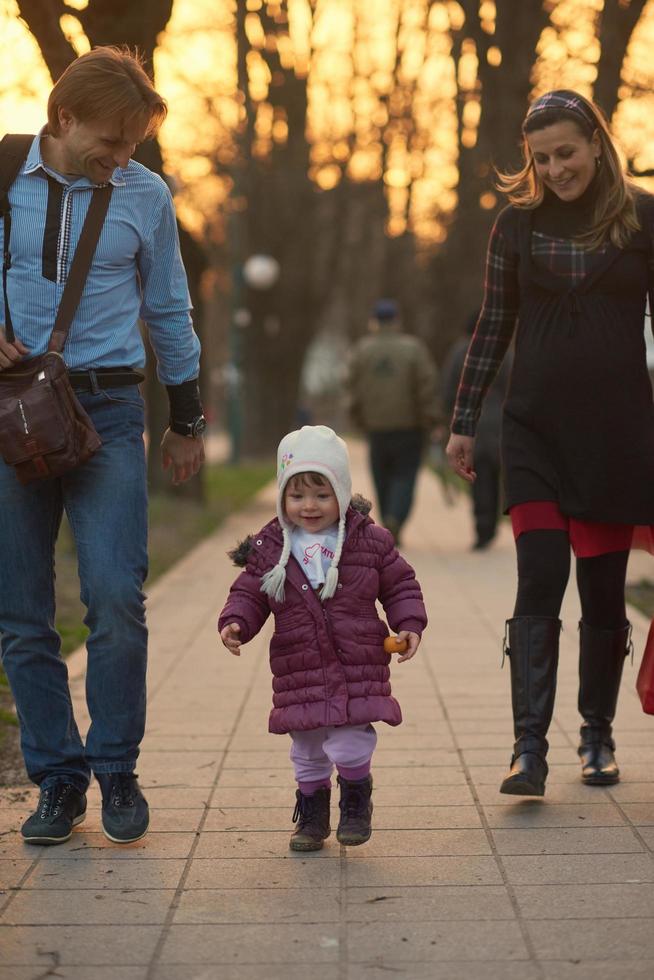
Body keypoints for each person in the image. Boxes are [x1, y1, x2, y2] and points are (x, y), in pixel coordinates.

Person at [0, 47, 205, 844]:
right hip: (14, 411)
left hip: (111, 410)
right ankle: (57, 780)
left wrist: (186, 420)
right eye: (111, 143)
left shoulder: (145, 195)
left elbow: (169, 307)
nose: (122, 160)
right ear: (63, 119)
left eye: (134, 147)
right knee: (21, 612)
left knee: (116, 596)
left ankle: (116, 768)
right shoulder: (2, 175)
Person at [446, 89, 654, 797]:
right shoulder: (517, 224)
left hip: (618, 435)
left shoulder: (643, 217)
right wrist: (464, 420)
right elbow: (493, 325)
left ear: (596, 142)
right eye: (542, 157)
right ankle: (527, 749)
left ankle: (596, 736)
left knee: (602, 592)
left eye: (567, 152)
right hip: (532, 429)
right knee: (539, 575)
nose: (556, 168)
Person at [218, 425, 427, 850]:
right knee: (308, 747)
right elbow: (250, 590)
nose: (309, 506)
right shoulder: (272, 547)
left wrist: (409, 622)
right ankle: (311, 815)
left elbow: (400, 584)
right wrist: (237, 621)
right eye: (297, 496)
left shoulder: (367, 540)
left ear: (343, 493)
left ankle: (355, 800)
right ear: (282, 499)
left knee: (350, 742)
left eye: (321, 494)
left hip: (357, 660)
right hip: (301, 664)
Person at [346, 298, 439, 545]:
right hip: (409, 427)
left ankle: (388, 518)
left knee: (381, 476)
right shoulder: (413, 349)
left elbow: (350, 388)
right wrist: (430, 417)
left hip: (376, 427)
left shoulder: (361, 350)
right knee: (405, 476)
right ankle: (395, 517)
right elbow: (426, 385)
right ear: (396, 320)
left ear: (374, 322)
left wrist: (358, 418)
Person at [441, 311, 512, 549]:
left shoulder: (460, 352)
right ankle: (492, 524)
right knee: (494, 476)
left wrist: (449, 421)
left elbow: (449, 390)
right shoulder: (506, 353)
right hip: (501, 423)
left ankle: (483, 528)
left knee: (477, 477)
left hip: (472, 424)